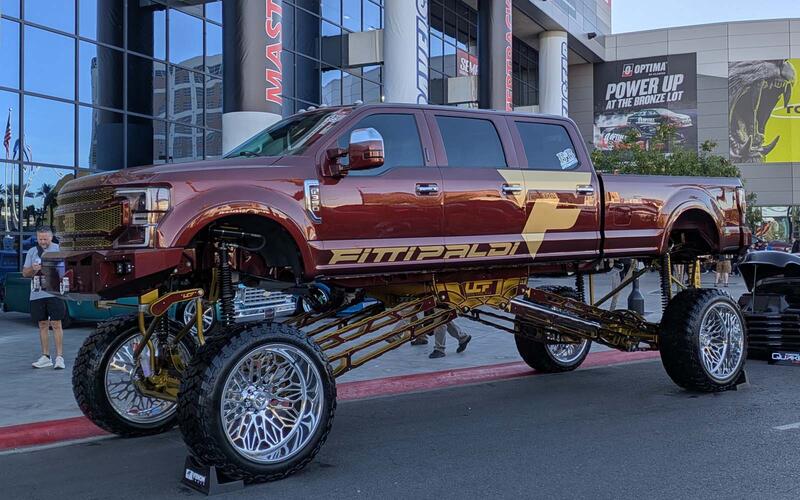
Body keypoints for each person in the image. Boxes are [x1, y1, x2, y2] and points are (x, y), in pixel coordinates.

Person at [22, 227, 66, 369]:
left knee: (56, 323)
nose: (42, 241)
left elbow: (67, 269)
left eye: (45, 239)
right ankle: (46, 357)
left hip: (55, 292)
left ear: (51, 237)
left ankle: (59, 357)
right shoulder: (32, 251)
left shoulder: (60, 249)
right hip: (37, 292)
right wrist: (33, 269)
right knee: (42, 324)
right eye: (40, 239)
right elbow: (25, 273)